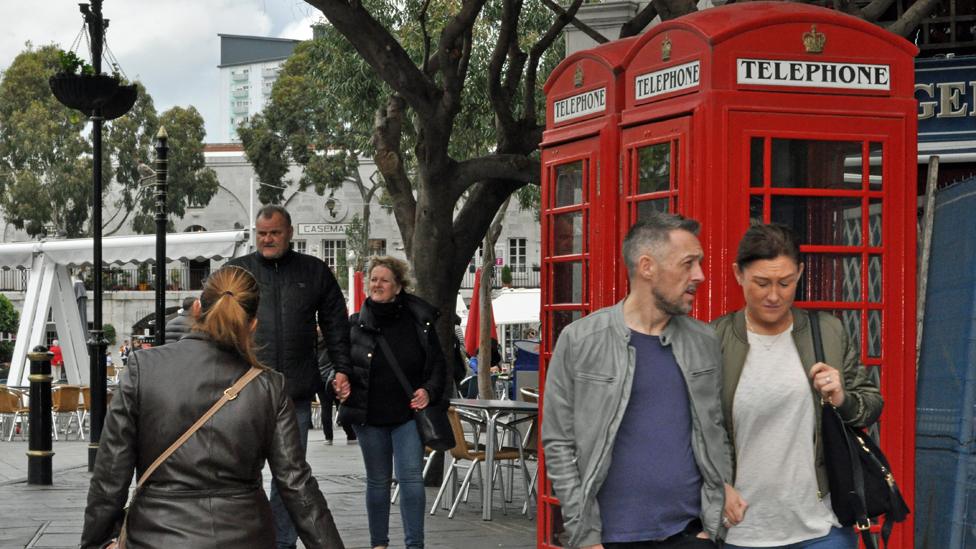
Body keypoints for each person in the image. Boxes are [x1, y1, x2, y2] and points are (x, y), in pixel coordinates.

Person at [80, 266, 345, 549]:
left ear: (196, 309)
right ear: (253, 324)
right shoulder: (269, 386)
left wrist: (96, 541)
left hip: (156, 535)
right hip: (246, 535)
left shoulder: (142, 368)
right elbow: (296, 484)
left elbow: (110, 476)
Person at [542, 212, 744, 549]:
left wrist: (711, 522)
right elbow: (558, 443)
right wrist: (584, 535)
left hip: (689, 533)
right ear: (647, 266)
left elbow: (714, 428)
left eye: (700, 263)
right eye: (688, 264)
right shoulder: (581, 340)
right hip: (608, 538)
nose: (701, 275)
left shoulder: (704, 340)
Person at [711, 223, 883, 549]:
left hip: (822, 528)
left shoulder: (829, 332)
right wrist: (716, 485)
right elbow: (691, 430)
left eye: (785, 282)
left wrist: (842, 398)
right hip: (740, 531)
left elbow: (871, 405)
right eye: (762, 283)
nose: (774, 295)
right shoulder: (714, 340)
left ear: (800, 273)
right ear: (738, 274)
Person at [228, 205, 352, 549]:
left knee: (289, 478)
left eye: (275, 233)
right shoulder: (238, 272)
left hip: (294, 393)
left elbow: (336, 325)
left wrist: (342, 368)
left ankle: (281, 543)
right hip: (244, 394)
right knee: (241, 475)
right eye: (262, 233)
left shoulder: (314, 272)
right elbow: (217, 324)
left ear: (290, 232)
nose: (267, 239)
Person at [342, 256, 446, 549]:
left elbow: (438, 365)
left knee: (410, 477)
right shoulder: (354, 325)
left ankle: (415, 544)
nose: (377, 284)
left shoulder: (419, 322)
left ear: (398, 286)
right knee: (377, 480)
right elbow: (334, 365)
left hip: (408, 415)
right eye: (373, 279)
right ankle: (379, 544)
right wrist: (338, 381)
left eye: (384, 280)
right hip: (369, 415)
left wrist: (428, 390)